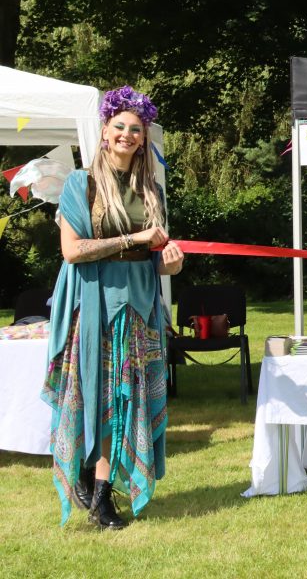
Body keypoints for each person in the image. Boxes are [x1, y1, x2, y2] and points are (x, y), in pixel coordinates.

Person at [41, 86, 185, 529]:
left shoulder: (152, 188)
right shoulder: (78, 184)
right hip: (92, 301)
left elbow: (155, 252)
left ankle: (99, 484)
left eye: (135, 129)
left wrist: (170, 262)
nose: (127, 134)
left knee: (125, 397)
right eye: (119, 126)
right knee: (99, 393)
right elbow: (73, 251)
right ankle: (97, 487)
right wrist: (135, 240)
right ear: (105, 132)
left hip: (139, 305)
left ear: (144, 138)